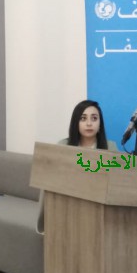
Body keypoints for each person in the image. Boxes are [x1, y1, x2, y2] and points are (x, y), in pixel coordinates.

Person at [37, 99, 116, 235]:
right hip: (68, 206)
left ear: (100, 124)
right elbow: (51, 182)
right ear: (76, 123)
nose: (89, 123)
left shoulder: (110, 148)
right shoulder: (63, 146)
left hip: (99, 210)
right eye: (83, 118)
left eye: (94, 118)